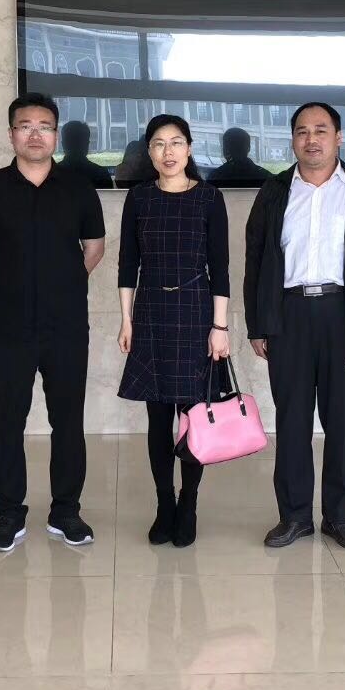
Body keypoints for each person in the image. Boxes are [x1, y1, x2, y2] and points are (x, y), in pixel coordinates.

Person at [244, 102, 345, 551]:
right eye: (301, 131)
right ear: (293, 140)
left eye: (320, 130)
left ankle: (339, 518)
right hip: (289, 316)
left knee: (343, 422)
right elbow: (255, 261)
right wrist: (258, 324)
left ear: (338, 137)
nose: (310, 139)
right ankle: (294, 517)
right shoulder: (273, 193)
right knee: (292, 421)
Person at [0, 93, 107, 553]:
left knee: (68, 420)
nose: (35, 134)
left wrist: (65, 283)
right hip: (8, 327)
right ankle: (8, 513)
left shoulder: (79, 188)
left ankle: (66, 511)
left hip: (66, 327)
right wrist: (6, 286)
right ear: (11, 134)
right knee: (7, 420)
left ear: (56, 135)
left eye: (45, 126)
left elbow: (95, 246)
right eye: (26, 126)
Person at [117, 115, 230, 548]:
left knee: (194, 416)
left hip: (196, 313)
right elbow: (128, 264)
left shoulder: (209, 198)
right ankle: (164, 503)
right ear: (149, 152)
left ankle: (189, 502)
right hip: (150, 312)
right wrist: (126, 318)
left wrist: (219, 326)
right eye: (159, 144)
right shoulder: (139, 198)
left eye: (177, 142)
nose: (168, 151)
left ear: (189, 148)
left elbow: (220, 267)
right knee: (158, 417)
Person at [59, 120, 114, 189]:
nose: (75, 145)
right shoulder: (101, 174)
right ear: (87, 144)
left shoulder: (50, 175)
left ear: (63, 144)